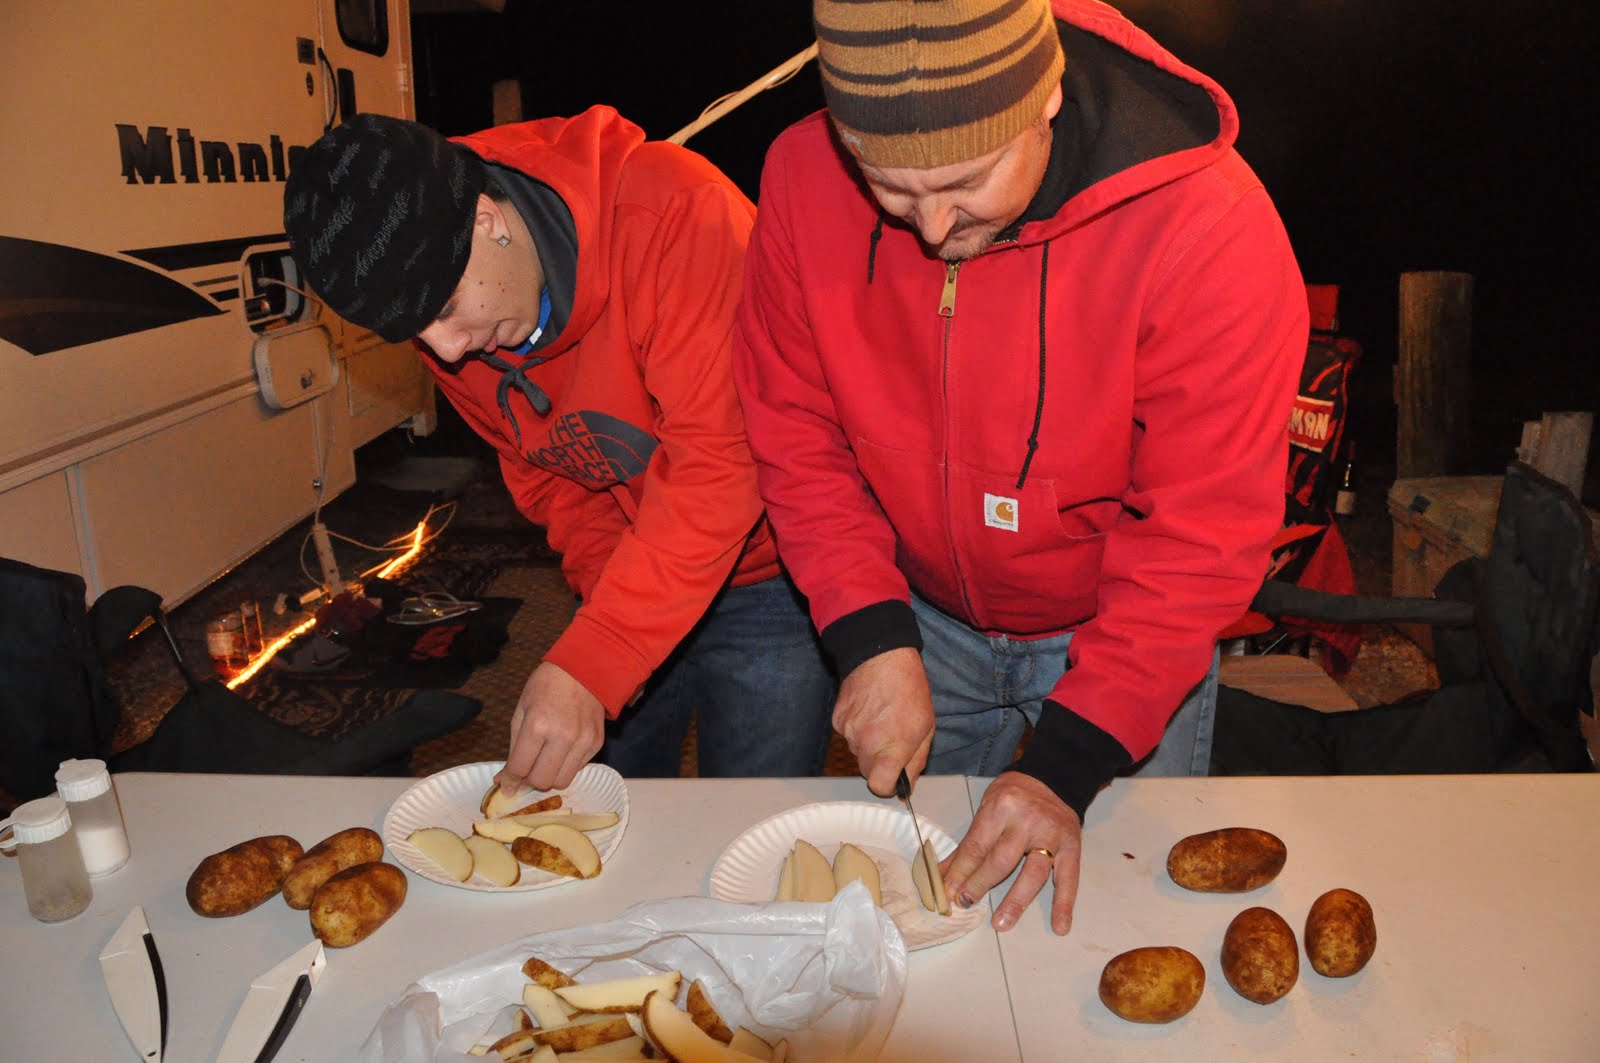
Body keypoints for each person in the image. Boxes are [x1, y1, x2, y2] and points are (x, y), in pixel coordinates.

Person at [732, 0, 1307, 934]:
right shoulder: (802, 177)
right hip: (924, 620)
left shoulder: (1208, 226)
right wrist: (868, 630)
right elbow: (796, 427)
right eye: (886, 185)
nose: (930, 227)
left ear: (1045, 97)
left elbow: (1201, 533)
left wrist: (1069, 762)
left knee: (1113, 915)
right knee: (922, 917)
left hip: (1126, 634)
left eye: (965, 179)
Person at [283, 108, 836, 791]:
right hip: (631, 567)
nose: (447, 352)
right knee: (614, 800)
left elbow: (724, 465)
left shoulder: (677, 213)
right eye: (416, 334)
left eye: (445, 310)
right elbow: (549, 477)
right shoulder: (448, 305)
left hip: (770, 573)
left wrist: (603, 650)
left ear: (486, 218)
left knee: (755, 806)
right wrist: (613, 611)